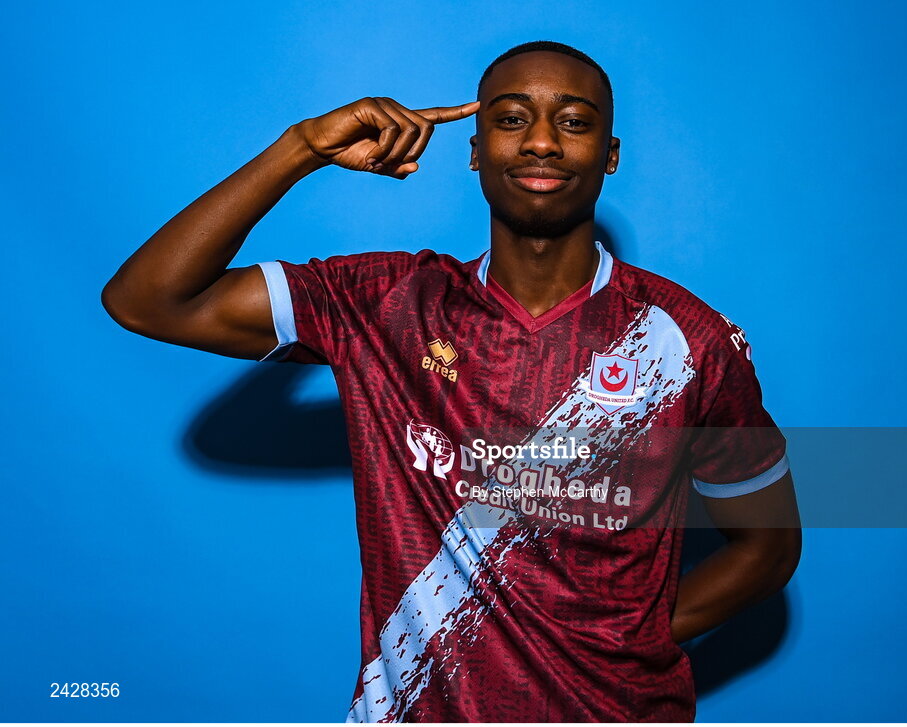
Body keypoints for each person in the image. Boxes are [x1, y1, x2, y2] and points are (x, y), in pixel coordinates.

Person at [103, 40, 801, 722]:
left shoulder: (688, 342)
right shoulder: (388, 303)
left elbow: (768, 546)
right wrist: (302, 149)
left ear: (610, 155)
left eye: (575, 121)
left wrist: (628, 637)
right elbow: (150, 300)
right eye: (509, 117)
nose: (541, 142)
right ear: (473, 151)